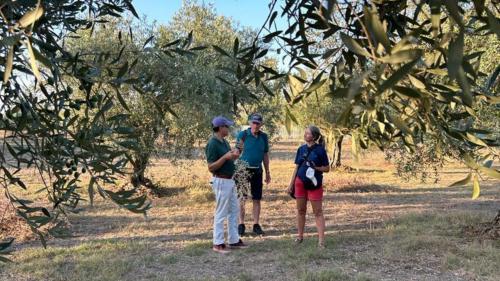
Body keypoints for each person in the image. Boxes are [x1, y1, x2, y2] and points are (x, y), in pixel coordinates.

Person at [205, 116, 248, 254]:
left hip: (230, 180)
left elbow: (231, 158)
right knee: (221, 212)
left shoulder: (223, 142)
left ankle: (233, 239)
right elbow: (211, 167)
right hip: (221, 180)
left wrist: (237, 151)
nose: (228, 129)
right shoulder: (212, 144)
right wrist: (225, 157)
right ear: (220, 127)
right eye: (226, 126)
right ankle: (217, 243)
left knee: (233, 210)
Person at [287, 125, 330, 248]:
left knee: (317, 212)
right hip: (299, 182)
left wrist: (316, 168)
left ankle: (321, 240)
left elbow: (327, 168)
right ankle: (300, 236)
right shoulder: (301, 149)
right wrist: (291, 184)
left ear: (314, 136)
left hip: (314, 184)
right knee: (301, 211)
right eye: (305, 133)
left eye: (308, 133)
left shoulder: (320, 150)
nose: (306, 135)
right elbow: (296, 167)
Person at [235, 113, 270, 236]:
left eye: (258, 123)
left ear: (261, 124)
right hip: (243, 170)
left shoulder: (264, 137)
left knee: (256, 198)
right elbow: (237, 152)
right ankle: (241, 224)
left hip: (257, 170)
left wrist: (267, 172)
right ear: (250, 123)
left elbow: (265, 155)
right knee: (242, 197)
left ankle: (256, 224)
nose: (255, 125)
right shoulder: (243, 135)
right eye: (253, 122)